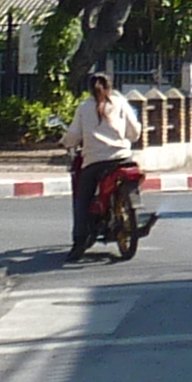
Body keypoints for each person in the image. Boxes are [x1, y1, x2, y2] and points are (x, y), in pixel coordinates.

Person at [64, 69, 143, 257]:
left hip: (95, 163)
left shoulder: (83, 107)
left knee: (82, 200)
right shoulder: (121, 103)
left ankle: (79, 243)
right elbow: (134, 132)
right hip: (123, 159)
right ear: (111, 86)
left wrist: (66, 143)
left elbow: (73, 136)